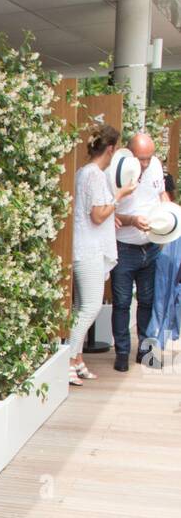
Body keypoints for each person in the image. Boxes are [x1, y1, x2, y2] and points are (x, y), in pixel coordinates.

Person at [69, 123, 137, 384]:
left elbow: (94, 213)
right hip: (90, 249)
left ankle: (77, 359)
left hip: (84, 246)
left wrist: (112, 216)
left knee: (80, 307)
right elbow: (98, 215)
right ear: (110, 150)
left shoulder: (82, 173)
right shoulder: (95, 175)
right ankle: (69, 359)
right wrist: (119, 195)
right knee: (90, 306)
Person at [108, 131, 171, 371]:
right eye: (141, 158)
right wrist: (132, 220)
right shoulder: (115, 172)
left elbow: (160, 192)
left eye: (149, 157)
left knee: (148, 301)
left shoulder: (155, 165)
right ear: (128, 153)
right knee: (122, 303)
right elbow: (106, 213)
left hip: (151, 245)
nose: (145, 163)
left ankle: (147, 351)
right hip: (124, 247)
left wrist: (168, 211)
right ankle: (122, 353)